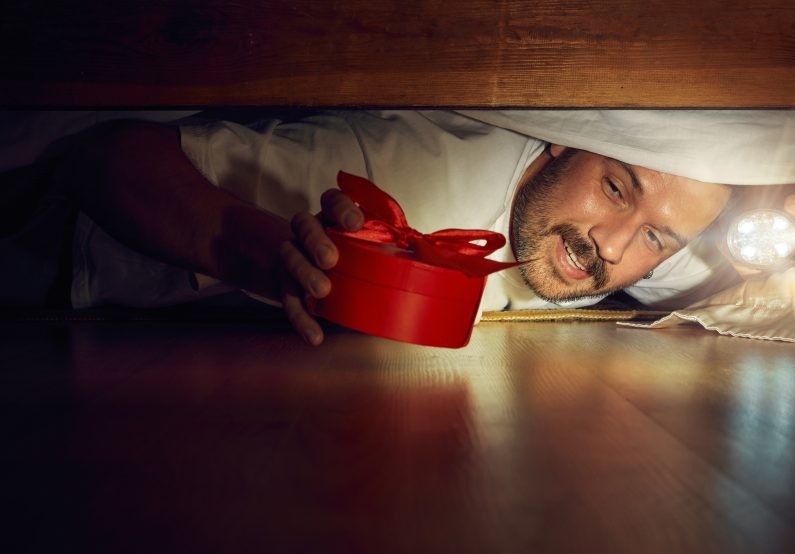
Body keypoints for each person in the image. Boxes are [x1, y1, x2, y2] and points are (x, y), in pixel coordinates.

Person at [3, 110, 739, 345]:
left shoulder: (632, 252)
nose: (609, 246)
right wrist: (249, 248)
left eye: (655, 239)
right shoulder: (415, 172)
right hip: (53, 251)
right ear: (559, 140)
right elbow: (102, 159)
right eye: (615, 188)